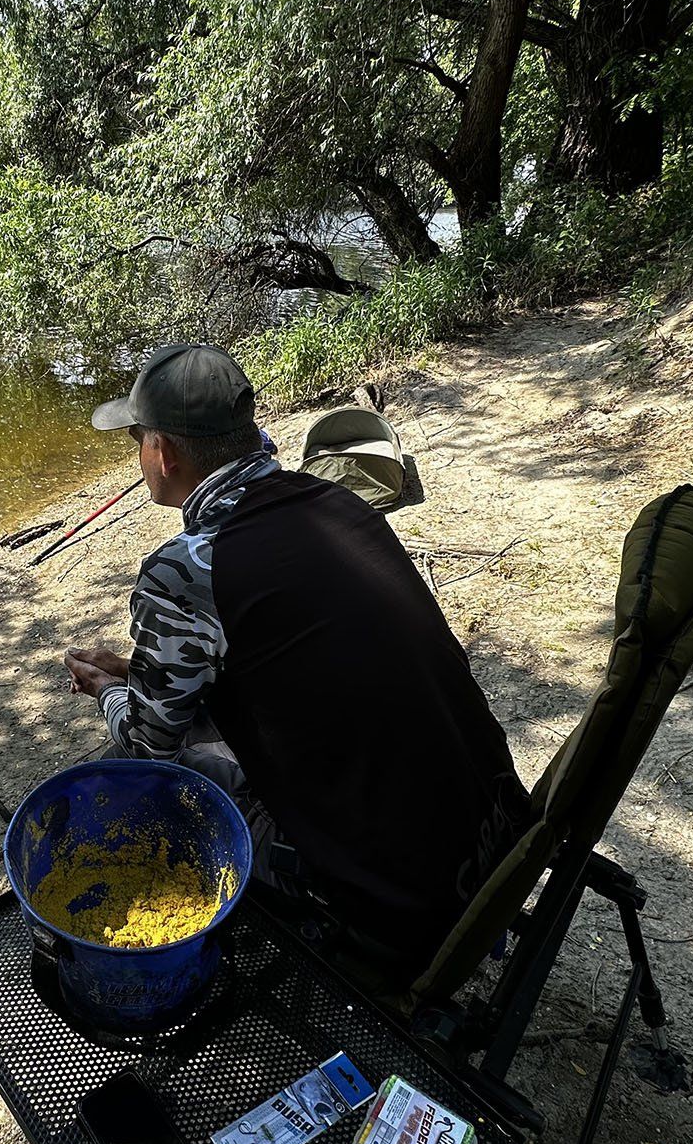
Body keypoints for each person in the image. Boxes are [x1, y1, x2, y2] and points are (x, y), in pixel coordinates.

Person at [63, 343, 531, 988]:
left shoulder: (188, 567)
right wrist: (140, 675)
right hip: (494, 839)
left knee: (155, 783)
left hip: (394, 902)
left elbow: (149, 742)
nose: (140, 456)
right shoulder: (336, 503)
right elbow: (291, 670)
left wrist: (108, 695)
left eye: (138, 440)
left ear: (164, 452)